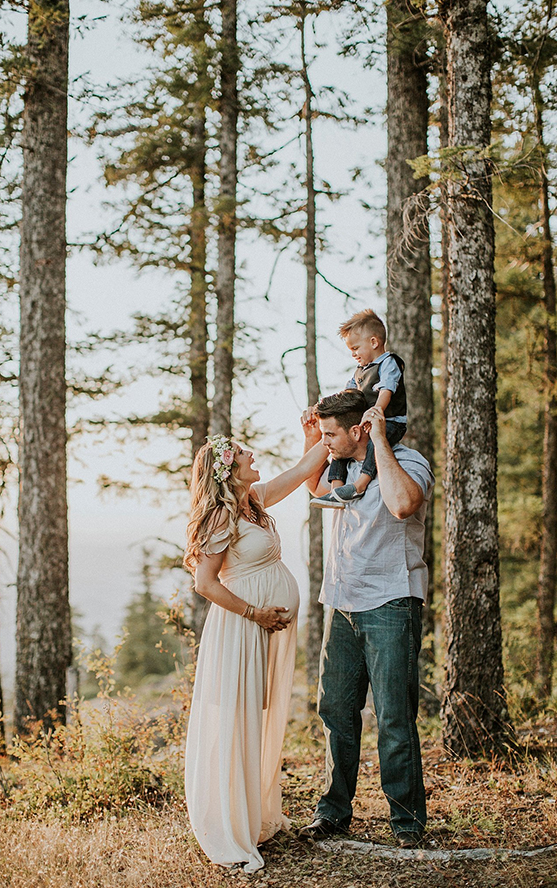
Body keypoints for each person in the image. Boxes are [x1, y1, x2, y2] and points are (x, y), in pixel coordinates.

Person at [184, 429, 329, 873]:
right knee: (239, 716)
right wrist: (256, 614)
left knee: (260, 716)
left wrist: (325, 433)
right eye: (244, 453)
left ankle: (251, 812)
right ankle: (230, 826)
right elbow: (204, 583)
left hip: (264, 627)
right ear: (228, 470)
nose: (252, 455)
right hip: (240, 628)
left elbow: (305, 469)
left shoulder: (256, 501)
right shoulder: (218, 517)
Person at [299, 389, 433, 847]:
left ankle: (408, 823)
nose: (326, 442)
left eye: (332, 434)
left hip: (391, 602)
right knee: (336, 711)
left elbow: (402, 505)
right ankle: (333, 812)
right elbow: (315, 491)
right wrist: (309, 438)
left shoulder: (408, 461)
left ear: (359, 429)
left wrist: (380, 442)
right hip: (342, 603)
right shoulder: (338, 467)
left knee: (394, 716)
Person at [311, 308, 407, 509]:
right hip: (368, 422)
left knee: (375, 443)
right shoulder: (360, 372)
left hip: (390, 422)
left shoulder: (389, 363)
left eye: (355, 348)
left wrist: (376, 411)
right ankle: (336, 490)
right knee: (339, 448)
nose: (353, 354)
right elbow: (348, 393)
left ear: (374, 342)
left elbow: (387, 390)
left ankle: (361, 484)